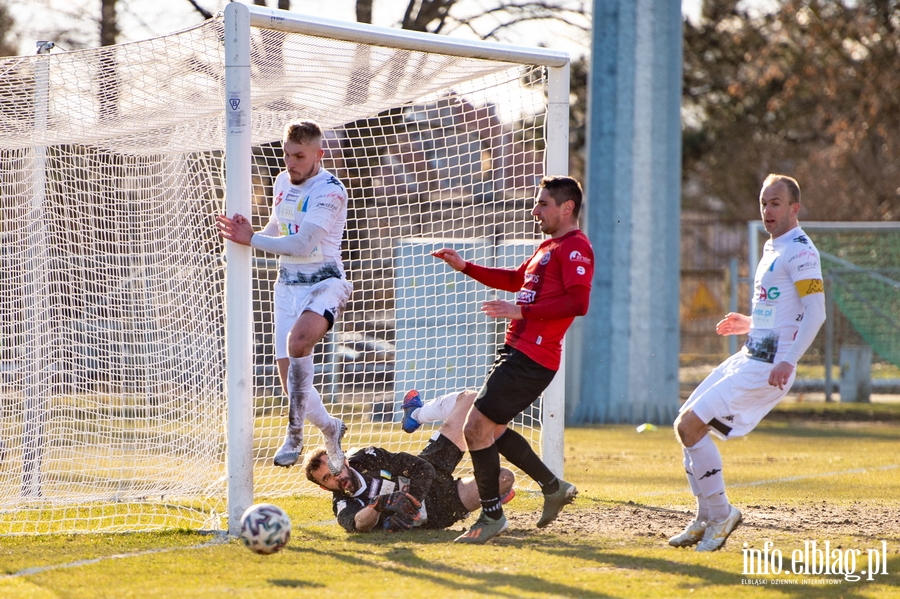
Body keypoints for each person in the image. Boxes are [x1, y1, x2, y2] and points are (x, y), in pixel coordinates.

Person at [430, 175, 594, 544]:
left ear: (567, 208)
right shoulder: (547, 246)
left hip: (533, 358)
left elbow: (578, 303)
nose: (536, 211)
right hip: (518, 352)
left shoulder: (575, 248)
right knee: (494, 431)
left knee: (475, 430)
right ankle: (553, 487)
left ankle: (492, 516)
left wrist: (522, 312)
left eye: (543, 204)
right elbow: (514, 278)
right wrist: (465, 267)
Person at [670, 174, 826, 552]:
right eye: (763, 202)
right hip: (750, 356)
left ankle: (722, 514)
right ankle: (706, 516)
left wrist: (788, 362)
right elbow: (784, 313)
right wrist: (751, 323)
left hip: (768, 366)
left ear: (794, 208)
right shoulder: (773, 248)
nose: (767, 210)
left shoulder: (800, 251)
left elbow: (816, 312)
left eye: (775, 203)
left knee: (693, 426)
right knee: (684, 426)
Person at [216, 120, 352, 475]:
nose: (291, 163)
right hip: (287, 286)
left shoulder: (331, 190)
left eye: (299, 156)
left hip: (326, 282)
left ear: (318, 155)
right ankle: (331, 428)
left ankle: (294, 436)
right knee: (289, 378)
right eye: (287, 154)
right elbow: (278, 229)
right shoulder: (281, 181)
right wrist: (251, 236)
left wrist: (251, 240)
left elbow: (302, 243)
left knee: (299, 340)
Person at [303, 390, 516, 533]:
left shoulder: (365, 457)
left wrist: (411, 502)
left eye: (334, 468)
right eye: (328, 478)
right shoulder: (342, 503)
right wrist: (378, 506)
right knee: (504, 477)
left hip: (431, 466)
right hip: (442, 506)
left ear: (343, 460)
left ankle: (416, 414)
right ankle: (489, 495)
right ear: (324, 487)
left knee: (470, 399)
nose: (337, 477)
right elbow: (359, 524)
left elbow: (420, 467)